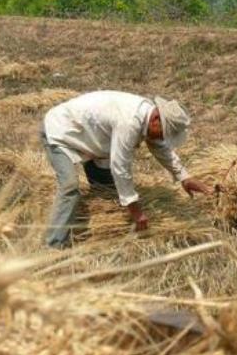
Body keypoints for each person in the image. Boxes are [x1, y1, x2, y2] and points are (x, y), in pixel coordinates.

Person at [40, 90, 211, 247]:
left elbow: (159, 147)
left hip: (92, 139)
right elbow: (120, 167)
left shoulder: (148, 116)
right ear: (156, 119)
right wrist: (136, 211)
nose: (163, 138)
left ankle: (97, 225)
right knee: (70, 187)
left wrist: (184, 177)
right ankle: (53, 244)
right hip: (60, 132)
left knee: (108, 193)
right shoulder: (129, 122)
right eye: (164, 133)